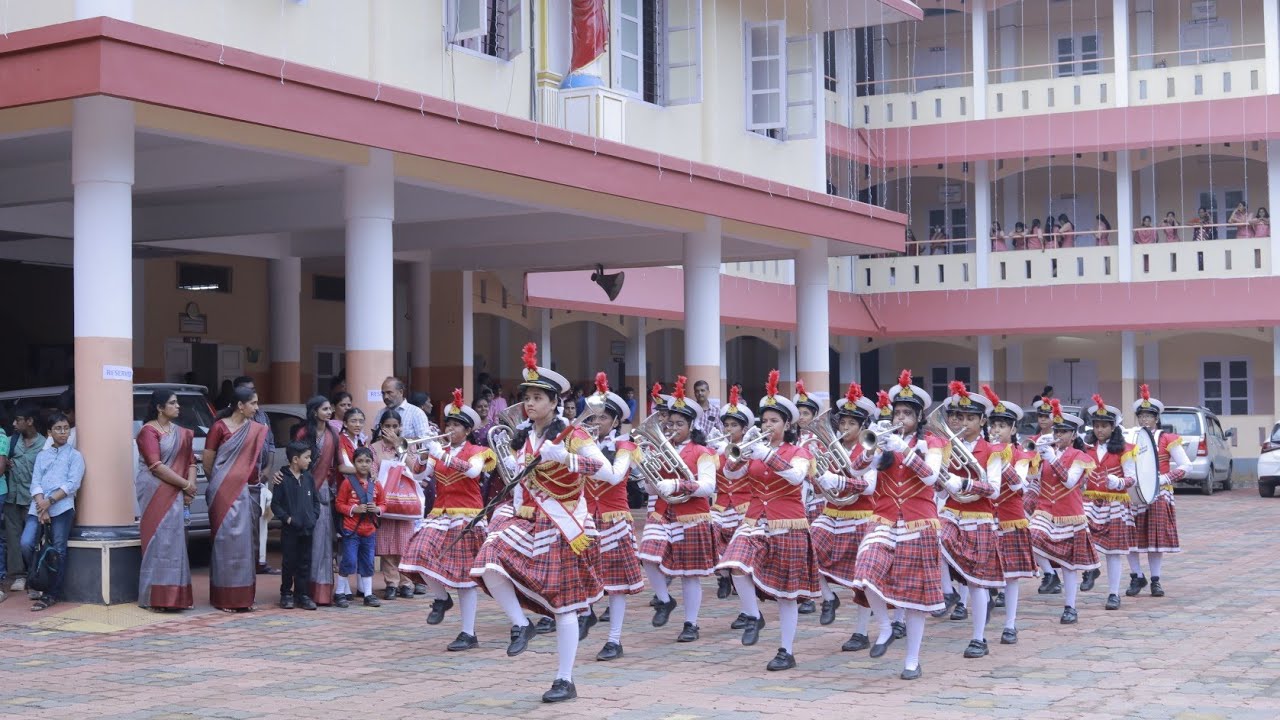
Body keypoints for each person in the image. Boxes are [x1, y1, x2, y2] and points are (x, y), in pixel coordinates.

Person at [470, 342, 608, 703]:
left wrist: (565, 457)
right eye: (526, 397)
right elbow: (521, 487)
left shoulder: (574, 435)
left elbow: (606, 472)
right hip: (529, 522)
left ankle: (565, 679)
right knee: (488, 561)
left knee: (564, 605)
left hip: (563, 527)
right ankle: (521, 624)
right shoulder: (525, 437)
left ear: (553, 403)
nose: (528, 403)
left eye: (536, 397)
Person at [716, 370, 820, 672]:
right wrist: (740, 454)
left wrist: (768, 455)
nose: (768, 426)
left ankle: (786, 650)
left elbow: (796, 476)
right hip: (754, 520)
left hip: (789, 523)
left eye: (774, 421)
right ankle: (752, 614)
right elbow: (732, 475)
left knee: (787, 595)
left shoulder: (798, 451)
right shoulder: (755, 450)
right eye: (765, 421)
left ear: (787, 424)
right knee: (733, 564)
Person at [846, 371, 945, 680]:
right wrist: (873, 448)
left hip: (919, 520)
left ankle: (912, 661)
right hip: (885, 517)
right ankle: (886, 626)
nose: (901, 417)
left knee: (914, 596)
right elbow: (855, 469)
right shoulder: (885, 444)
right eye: (897, 412)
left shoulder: (933, 443)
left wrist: (904, 450)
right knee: (865, 567)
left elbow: (932, 477)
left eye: (907, 413)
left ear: (919, 417)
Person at [400, 390, 497, 651]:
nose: (450, 429)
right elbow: (421, 477)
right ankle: (441, 598)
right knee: (416, 554)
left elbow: (474, 471)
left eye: (455, 426)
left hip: (467, 516)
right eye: (449, 424)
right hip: (439, 514)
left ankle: (468, 633)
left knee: (465, 579)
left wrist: (441, 455)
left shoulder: (479, 451)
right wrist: (412, 458)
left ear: (466, 430)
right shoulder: (438, 450)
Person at [637, 377, 718, 644]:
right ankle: (664, 599)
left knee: (689, 574)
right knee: (647, 556)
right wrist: (648, 476)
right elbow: (651, 490)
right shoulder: (660, 450)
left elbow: (708, 486)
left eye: (679, 424)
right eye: (669, 423)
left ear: (691, 425)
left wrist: (678, 483)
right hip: (662, 512)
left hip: (691, 515)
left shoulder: (702, 451)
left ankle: (691, 623)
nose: (673, 428)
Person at [936, 382, 1004, 659]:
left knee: (977, 582)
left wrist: (962, 482)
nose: (965, 423)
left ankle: (979, 638)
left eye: (971, 418)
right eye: (961, 417)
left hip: (979, 517)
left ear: (983, 420)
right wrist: (940, 480)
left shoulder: (994, 451)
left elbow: (995, 489)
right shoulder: (947, 448)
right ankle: (947, 591)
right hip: (952, 511)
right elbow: (940, 488)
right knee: (933, 538)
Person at [579, 374, 643, 660]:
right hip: (585, 518)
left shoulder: (625, 446)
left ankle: (614, 640)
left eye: (602, 418)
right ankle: (587, 612)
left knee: (615, 585)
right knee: (581, 573)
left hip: (613, 518)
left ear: (616, 422)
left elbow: (616, 476)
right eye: (591, 418)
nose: (594, 423)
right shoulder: (580, 443)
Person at [810, 383, 879, 642]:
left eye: (851, 423)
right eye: (843, 423)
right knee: (808, 548)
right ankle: (828, 597)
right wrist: (818, 475)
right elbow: (819, 484)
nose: (845, 428)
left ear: (862, 427)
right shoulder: (830, 448)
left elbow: (869, 486)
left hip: (860, 516)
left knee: (861, 576)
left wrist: (838, 482)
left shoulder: (871, 448)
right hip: (832, 512)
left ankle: (860, 631)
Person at [1028, 400, 1098, 624]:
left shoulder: (1080, 456)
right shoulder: (1046, 452)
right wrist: (1034, 459)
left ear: (1073, 433)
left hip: (1070, 513)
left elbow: (1069, 482)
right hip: (1045, 509)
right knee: (1029, 536)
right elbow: (1033, 480)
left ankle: (1070, 606)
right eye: (1057, 430)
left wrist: (1051, 458)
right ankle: (1049, 572)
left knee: (1069, 565)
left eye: (1064, 431)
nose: (1059, 435)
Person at [203, 386, 270, 612]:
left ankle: (244, 598)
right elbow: (208, 462)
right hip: (223, 494)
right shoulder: (219, 428)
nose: (257, 407)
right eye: (253, 403)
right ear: (240, 406)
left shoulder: (255, 429)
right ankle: (225, 599)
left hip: (248, 492)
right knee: (225, 544)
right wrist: (222, 483)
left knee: (246, 545)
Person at [979, 386, 1036, 645]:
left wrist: (1001, 460)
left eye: (1002, 426)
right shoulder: (982, 450)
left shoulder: (1022, 455)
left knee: (1011, 576)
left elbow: (1019, 487)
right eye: (994, 425)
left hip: (1010, 519)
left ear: (1013, 430)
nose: (996, 430)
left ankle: (1010, 624)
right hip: (983, 518)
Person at [135, 390, 197, 611]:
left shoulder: (181, 433)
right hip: (154, 492)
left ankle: (176, 598)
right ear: (160, 408)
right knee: (157, 542)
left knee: (176, 542)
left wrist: (190, 487)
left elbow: (191, 461)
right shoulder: (148, 431)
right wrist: (185, 485)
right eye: (172, 403)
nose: (177, 406)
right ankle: (155, 598)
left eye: (177, 402)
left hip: (177, 490)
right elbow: (156, 466)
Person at [1127, 386, 1191, 598]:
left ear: (1156, 418)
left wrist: (1165, 478)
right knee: (1130, 537)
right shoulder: (1131, 437)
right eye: (1142, 415)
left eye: (1149, 416)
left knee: (1155, 538)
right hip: (1134, 492)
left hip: (1159, 492)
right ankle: (1136, 576)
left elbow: (1185, 465)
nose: (1145, 419)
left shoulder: (1166, 438)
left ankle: (1155, 579)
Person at [22, 413, 83, 611]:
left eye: (66, 428)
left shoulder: (75, 456)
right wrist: (41, 505)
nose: (63, 432)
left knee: (58, 550)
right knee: (26, 543)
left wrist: (49, 502)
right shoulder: (42, 455)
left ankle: (51, 593)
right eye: (58, 428)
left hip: (62, 508)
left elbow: (72, 485)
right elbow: (35, 483)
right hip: (38, 507)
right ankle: (36, 580)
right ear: (49, 433)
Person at [1080, 395, 1136, 611]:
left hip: (1115, 504)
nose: (1099, 430)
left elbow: (1132, 478)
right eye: (1096, 425)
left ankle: (1113, 593)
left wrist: (1119, 481)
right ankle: (1091, 569)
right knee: (1084, 539)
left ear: (1114, 427)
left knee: (1114, 552)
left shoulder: (1125, 449)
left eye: (1104, 426)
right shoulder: (1087, 449)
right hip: (1090, 502)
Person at [369, 410, 425, 600]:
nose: (391, 430)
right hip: (385, 500)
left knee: (405, 543)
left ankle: (407, 583)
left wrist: (397, 446)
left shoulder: (407, 445)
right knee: (386, 545)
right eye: (387, 426)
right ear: (381, 427)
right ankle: (391, 583)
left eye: (395, 426)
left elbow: (415, 469)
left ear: (400, 427)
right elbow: (372, 472)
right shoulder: (374, 447)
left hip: (406, 502)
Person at [292, 395, 341, 606]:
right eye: (325, 409)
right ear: (314, 412)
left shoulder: (333, 434)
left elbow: (339, 463)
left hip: (323, 493)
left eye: (330, 409)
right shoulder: (304, 433)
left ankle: (321, 593)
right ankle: (302, 591)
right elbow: (295, 464)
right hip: (304, 491)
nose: (329, 413)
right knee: (305, 542)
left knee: (322, 542)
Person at [231, 377, 278, 577]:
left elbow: (271, 444)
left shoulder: (262, 416)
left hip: (261, 477)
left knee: (262, 522)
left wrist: (267, 468)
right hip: (238, 483)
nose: (255, 401)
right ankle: (243, 563)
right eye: (248, 393)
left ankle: (260, 561)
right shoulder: (228, 421)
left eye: (254, 391)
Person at [711, 387, 753, 604]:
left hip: (743, 504)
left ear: (744, 429)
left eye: (734, 425)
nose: (729, 429)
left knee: (738, 539)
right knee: (711, 531)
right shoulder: (717, 450)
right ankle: (724, 576)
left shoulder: (750, 449)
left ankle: (740, 577)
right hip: (720, 503)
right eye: (726, 425)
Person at [271, 441, 320, 611]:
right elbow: (275, 505)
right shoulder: (282, 479)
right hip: (291, 530)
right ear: (294, 459)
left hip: (308, 528)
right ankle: (286, 593)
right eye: (306, 457)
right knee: (289, 562)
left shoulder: (308, 477)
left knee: (304, 562)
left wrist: (314, 517)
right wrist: (288, 519)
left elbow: (315, 500)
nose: (309, 461)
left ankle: (302, 595)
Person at [334, 447, 384, 608]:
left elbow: (383, 503)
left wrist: (377, 509)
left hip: (369, 530)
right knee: (348, 560)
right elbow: (339, 504)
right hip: (351, 529)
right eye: (360, 461)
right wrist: (353, 509)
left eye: (367, 461)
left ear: (372, 463)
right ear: (354, 463)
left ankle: (368, 594)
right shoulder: (347, 483)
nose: (364, 465)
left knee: (368, 562)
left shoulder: (376, 484)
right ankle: (340, 592)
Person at [6, 406, 43, 595]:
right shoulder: (12, 441)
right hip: (12, 497)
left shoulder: (44, 444)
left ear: (29, 421)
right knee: (13, 538)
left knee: (31, 540)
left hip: (33, 500)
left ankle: (34, 574)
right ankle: (18, 575)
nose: (14, 424)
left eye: (18, 419)